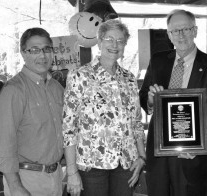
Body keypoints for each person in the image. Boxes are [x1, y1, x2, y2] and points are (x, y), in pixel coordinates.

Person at [139, 9, 207, 196]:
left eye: (186, 29)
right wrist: (152, 101)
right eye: (175, 31)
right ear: (169, 35)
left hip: (191, 156)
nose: (181, 35)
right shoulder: (158, 60)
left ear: (195, 30)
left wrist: (199, 145)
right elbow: (143, 96)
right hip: (159, 153)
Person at [63, 19, 146, 196]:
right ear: (99, 41)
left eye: (120, 40)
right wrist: (71, 171)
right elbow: (69, 128)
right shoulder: (79, 76)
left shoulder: (129, 78)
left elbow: (136, 123)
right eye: (109, 39)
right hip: (91, 166)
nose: (115, 44)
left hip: (126, 163)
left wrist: (141, 157)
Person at [0, 27, 64, 196]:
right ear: (23, 53)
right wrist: (15, 187)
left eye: (47, 49)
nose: (42, 55)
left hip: (56, 177)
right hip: (25, 180)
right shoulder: (14, 90)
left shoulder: (57, 88)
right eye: (34, 50)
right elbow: (4, 143)